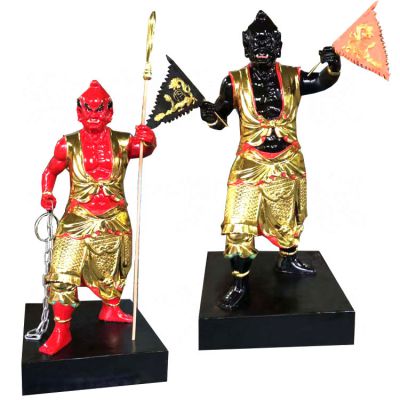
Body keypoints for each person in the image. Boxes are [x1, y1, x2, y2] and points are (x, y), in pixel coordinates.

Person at [200, 10, 341, 310]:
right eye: (256, 42)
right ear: (245, 45)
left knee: (288, 219)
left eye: (268, 42)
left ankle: (287, 260)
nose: (261, 47)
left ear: (278, 45)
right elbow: (219, 119)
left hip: (287, 161)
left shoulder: (292, 77)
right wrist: (209, 114)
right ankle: (239, 282)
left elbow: (319, 82)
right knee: (238, 224)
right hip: (250, 164)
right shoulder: (233, 82)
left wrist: (333, 67)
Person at [39, 80, 156, 355]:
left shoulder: (123, 141)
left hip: (115, 217)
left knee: (115, 268)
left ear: (109, 112)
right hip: (78, 217)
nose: (93, 115)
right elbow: (50, 171)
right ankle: (61, 330)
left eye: (99, 109)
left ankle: (110, 308)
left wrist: (150, 140)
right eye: (88, 109)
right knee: (62, 272)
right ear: (79, 112)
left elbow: (144, 150)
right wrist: (46, 192)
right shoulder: (67, 144)